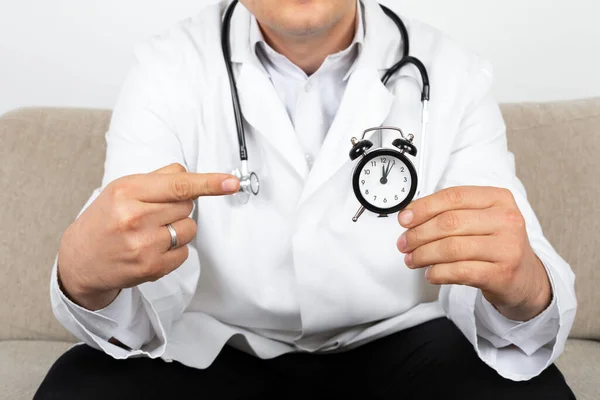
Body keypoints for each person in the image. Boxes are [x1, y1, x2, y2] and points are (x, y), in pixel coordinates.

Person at [35, 0, 577, 398]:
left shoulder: (455, 74)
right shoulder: (166, 69)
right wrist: (85, 281)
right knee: (77, 387)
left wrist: (524, 286)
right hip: (222, 356)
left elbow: (502, 299)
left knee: (534, 393)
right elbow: (147, 291)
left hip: (404, 357)